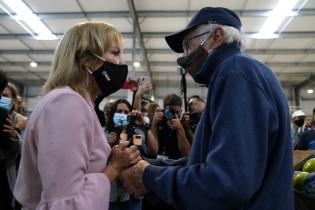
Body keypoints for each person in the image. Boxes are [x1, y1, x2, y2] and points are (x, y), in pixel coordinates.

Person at [120, 7, 294, 210]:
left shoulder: (235, 72)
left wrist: (149, 176)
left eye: (188, 44)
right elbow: (205, 161)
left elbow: (226, 183)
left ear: (216, 36)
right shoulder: (239, 72)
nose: (185, 56)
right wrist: (148, 166)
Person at [14, 21, 141, 210]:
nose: (121, 62)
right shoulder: (66, 104)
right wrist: (114, 168)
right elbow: (65, 204)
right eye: (115, 53)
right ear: (86, 60)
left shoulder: (78, 103)